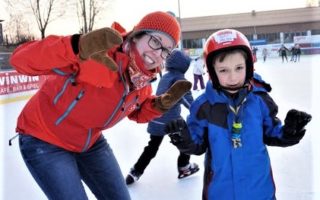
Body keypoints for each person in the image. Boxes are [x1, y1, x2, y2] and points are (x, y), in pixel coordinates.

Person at [9, 11, 192, 200]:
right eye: (155, 41)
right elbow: (20, 60)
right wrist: (76, 47)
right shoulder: (97, 52)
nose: (158, 53)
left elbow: (136, 112)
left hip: (88, 142)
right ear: (137, 34)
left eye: (166, 50)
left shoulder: (142, 80)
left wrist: (158, 106)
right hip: (44, 138)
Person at [165, 29, 312, 200]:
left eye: (239, 68)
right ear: (212, 72)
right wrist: (184, 138)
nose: (233, 77)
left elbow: (272, 132)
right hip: (220, 193)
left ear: (248, 66)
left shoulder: (259, 99)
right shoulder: (204, 106)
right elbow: (197, 145)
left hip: (260, 191)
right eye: (223, 70)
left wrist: (288, 132)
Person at [126, 49, 199, 185]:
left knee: (152, 147)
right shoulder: (180, 79)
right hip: (172, 121)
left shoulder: (165, 77)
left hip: (156, 118)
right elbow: (188, 101)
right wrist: (199, 113)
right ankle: (184, 167)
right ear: (183, 65)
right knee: (185, 142)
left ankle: (135, 171)